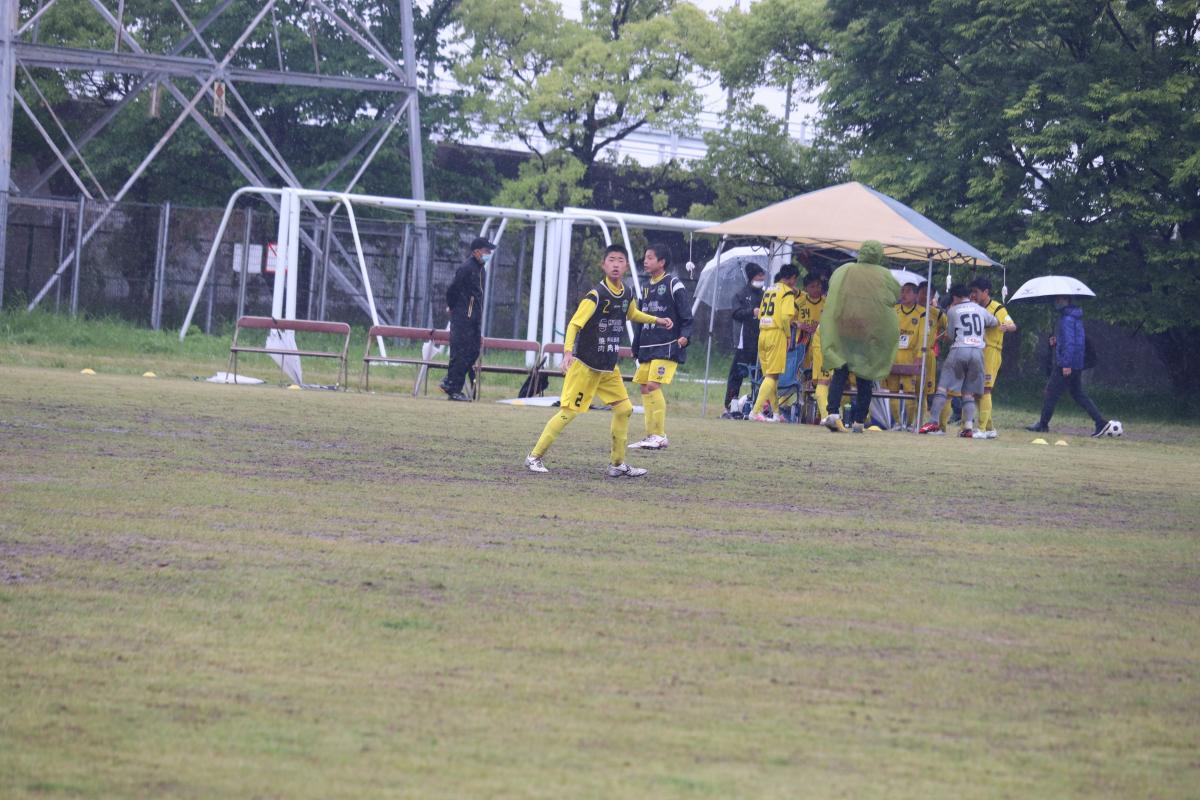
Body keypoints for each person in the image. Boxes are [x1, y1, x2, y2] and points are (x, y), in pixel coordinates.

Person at [525, 245, 673, 476]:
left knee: (624, 409)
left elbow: (632, 314)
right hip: (585, 366)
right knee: (568, 412)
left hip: (608, 368)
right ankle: (534, 457)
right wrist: (567, 353)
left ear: (626, 266)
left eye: (620, 260)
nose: (616, 264)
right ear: (603, 265)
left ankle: (617, 464)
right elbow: (574, 324)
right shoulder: (596, 295)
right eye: (611, 260)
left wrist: (657, 320)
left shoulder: (627, 293)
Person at [820, 240, 901, 433]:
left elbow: (833, 288)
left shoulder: (845, 269)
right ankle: (859, 421)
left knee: (840, 372)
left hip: (844, 331)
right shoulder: (884, 274)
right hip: (868, 333)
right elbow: (894, 296)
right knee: (866, 375)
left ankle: (833, 412)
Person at [1026, 296, 1120, 437]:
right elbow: (1074, 341)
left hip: (1066, 364)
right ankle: (1100, 422)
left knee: (1050, 393)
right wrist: (1057, 342)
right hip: (1076, 363)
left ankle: (1043, 425)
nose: (1056, 302)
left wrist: (1066, 364)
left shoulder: (1067, 319)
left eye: (1059, 299)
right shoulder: (1075, 317)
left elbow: (1070, 343)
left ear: (1066, 300)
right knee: (1078, 394)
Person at [630, 243, 693, 450]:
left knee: (653, 385)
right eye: (645, 257)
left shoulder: (674, 284)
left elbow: (687, 315)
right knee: (644, 386)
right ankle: (651, 435)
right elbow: (640, 318)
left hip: (667, 345)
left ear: (662, 262)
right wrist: (636, 345)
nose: (645, 261)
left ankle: (660, 435)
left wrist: (685, 336)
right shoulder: (645, 287)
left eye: (650, 257)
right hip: (648, 345)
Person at [919, 285, 998, 437]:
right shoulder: (980, 309)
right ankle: (968, 427)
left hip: (960, 349)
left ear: (955, 297)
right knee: (968, 393)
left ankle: (933, 422)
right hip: (978, 352)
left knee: (942, 388)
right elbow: (994, 322)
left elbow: (950, 335)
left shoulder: (953, 310)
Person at [440, 236, 494, 401]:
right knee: (460, 353)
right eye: (486, 250)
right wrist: (452, 307)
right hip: (463, 318)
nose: (488, 253)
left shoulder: (481, 270)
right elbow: (452, 290)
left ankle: (449, 381)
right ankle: (453, 388)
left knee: (473, 351)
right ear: (476, 252)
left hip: (474, 319)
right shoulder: (466, 268)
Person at [748, 264, 800, 422]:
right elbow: (785, 318)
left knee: (770, 377)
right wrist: (788, 335)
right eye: (795, 280)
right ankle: (755, 411)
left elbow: (760, 314)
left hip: (763, 333)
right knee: (772, 375)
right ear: (792, 278)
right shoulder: (787, 293)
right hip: (776, 334)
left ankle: (776, 413)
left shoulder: (769, 290)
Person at [968, 277, 1017, 438]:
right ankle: (990, 429)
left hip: (991, 351)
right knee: (976, 391)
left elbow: (1012, 325)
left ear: (986, 292)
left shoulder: (997, 308)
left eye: (976, 292)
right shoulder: (973, 307)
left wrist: (1005, 326)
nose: (973, 295)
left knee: (985, 389)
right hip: (976, 350)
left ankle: (981, 429)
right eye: (972, 291)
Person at [722, 264, 766, 416]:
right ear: (752, 277)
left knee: (759, 375)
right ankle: (730, 405)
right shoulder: (740, 295)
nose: (762, 278)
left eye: (763, 275)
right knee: (737, 374)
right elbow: (735, 313)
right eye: (759, 275)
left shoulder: (765, 294)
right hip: (744, 342)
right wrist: (751, 312)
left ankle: (757, 406)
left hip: (761, 341)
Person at [887, 281, 923, 430]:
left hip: (910, 355)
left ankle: (909, 423)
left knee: (909, 391)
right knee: (893, 391)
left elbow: (922, 337)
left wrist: (919, 356)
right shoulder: (894, 310)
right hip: (893, 354)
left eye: (908, 291)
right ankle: (896, 422)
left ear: (915, 295)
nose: (904, 294)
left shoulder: (921, 313)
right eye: (902, 291)